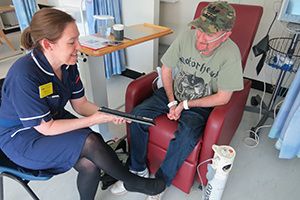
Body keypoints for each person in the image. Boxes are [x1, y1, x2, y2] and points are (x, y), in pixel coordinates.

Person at [0, 8, 166, 200]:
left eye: (77, 39)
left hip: (51, 119)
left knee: (91, 162)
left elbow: (81, 105)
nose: (79, 46)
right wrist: (94, 119)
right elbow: (46, 128)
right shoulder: (24, 74)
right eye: (72, 42)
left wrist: (108, 113)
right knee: (90, 141)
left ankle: (120, 182)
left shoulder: (68, 64)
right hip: (21, 137)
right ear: (48, 44)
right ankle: (130, 180)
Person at [111, 1, 244, 199]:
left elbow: (223, 97)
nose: (200, 38)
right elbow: (166, 68)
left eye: (209, 34)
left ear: (226, 35)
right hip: (173, 93)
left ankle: (159, 184)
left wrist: (186, 105)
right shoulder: (187, 36)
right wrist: (173, 101)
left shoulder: (230, 55)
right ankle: (137, 171)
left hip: (201, 105)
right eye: (200, 30)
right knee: (137, 116)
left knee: (186, 136)